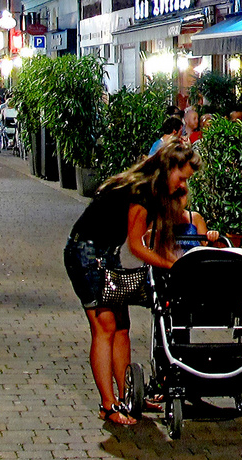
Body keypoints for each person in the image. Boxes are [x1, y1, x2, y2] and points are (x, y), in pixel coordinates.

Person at [63, 139, 200, 426]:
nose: (183, 183)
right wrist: (172, 264)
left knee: (121, 327)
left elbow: (158, 234)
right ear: (168, 169)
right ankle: (108, 404)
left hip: (104, 253)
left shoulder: (151, 190)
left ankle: (128, 396)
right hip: (86, 253)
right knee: (105, 326)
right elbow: (137, 247)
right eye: (182, 177)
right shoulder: (141, 193)